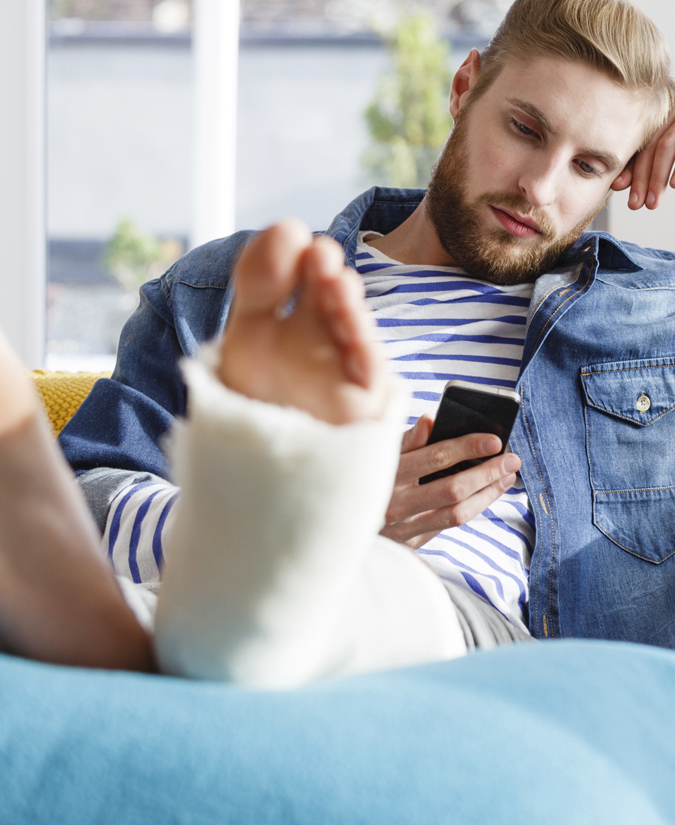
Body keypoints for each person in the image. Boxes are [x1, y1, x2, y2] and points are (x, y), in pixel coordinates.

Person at [60, 0, 675, 710]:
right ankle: (261, 569)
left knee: (349, 598)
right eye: (524, 129)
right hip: (212, 621)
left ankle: (269, 577)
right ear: (466, 87)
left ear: (620, 179)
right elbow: (87, 499)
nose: (540, 186)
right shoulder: (225, 290)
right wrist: (320, 520)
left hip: (495, 669)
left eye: (589, 166)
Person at [0, 222, 473, 684]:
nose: (537, 188)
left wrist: (311, 525)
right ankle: (237, 592)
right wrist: (282, 518)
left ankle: (221, 602)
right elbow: (98, 490)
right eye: (526, 136)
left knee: (379, 601)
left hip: (458, 619)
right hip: (173, 587)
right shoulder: (215, 283)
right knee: (222, 601)